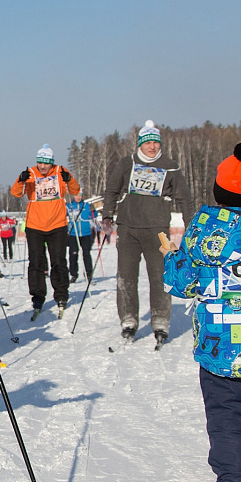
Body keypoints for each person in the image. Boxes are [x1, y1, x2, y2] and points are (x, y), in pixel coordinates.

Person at [162, 142, 241, 482]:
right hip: (221, 350)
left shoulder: (206, 228)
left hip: (220, 350)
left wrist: (171, 256)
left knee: (227, 420)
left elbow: (182, 283)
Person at [103, 120, 193, 345]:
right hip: (128, 228)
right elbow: (112, 190)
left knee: (161, 276)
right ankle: (129, 320)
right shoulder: (127, 163)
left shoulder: (170, 166)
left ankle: (161, 321)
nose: (152, 147)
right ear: (140, 144)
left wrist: (190, 223)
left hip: (159, 230)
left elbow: (184, 197)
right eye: (147, 143)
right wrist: (107, 215)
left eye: (155, 142)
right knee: (126, 277)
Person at [10, 145, 80, 316]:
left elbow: (75, 190)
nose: (42, 167)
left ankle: (61, 295)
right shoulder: (31, 173)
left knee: (58, 261)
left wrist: (69, 179)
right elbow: (16, 193)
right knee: (36, 262)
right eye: (40, 162)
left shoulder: (60, 171)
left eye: (46, 163)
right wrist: (21, 180)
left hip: (57, 224)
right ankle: (38, 297)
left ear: (52, 163)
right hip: (35, 225)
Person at [66, 192, 96, 283]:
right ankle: (73, 274)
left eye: (80, 195)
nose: (78, 197)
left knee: (86, 254)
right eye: (76, 195)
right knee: (73, 254)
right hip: (73, 234)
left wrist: (93, 211)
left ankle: (88, 273)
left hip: (85, 233)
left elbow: (95, 215)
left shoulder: (87, 205)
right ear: (73, 196)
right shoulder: (68, 206)